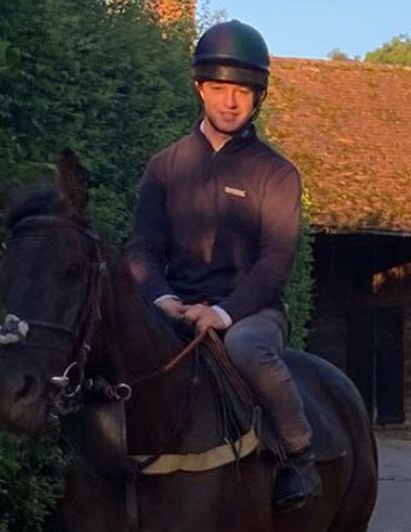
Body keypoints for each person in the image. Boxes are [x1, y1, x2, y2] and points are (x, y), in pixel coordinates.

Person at [126, 20, 320, 511]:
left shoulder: (277, 174)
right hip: (173, 307)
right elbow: (142, 248)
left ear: (258, 96)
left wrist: (224, 313)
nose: (229, 101)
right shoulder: (164, 166)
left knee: (248, 350)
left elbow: (275, 262)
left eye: (241, 91)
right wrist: (163, 298)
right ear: (199, 89)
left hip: (250, 315)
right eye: (218, 89)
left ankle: (299, 455)